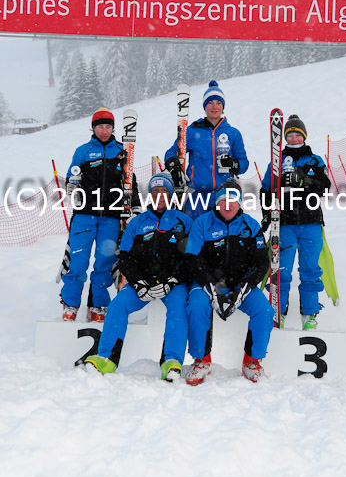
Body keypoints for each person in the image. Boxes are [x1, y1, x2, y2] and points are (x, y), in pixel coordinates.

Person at [85, 172, 192, 382]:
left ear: (170, 194)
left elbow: (192, 257)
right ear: (150, 195)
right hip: (142, 283)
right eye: (155, 191)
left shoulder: (184, 221)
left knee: (178, 308)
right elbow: (125, 258)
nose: (160, 195)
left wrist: (173, 280)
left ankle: (171, 361)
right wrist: (138, 283)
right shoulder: (138, 222)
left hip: (173, 283)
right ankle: (106, 358)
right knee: (118, 306)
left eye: (164, 191)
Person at [184, 178, 274, 384]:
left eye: (233, 199)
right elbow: (191, 258)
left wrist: (246, 284)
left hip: (240, 284)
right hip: (206, 283)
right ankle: (201, 359)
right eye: (223, 199)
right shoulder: (202, 223)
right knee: (197, 308)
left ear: (240, 202)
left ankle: (252, 361)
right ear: (216, 202)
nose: (228, 204)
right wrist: (208, 282)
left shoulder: (250, 226)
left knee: (265, 311)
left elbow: (262, 263)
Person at [59, 107, 140, 322]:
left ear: (113, 128)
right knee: (77, 262)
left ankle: (98, 306)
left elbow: (131, 182)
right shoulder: (83, 151)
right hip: (85, 215)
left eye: (108, 126)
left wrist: (136, 208)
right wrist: (71, 188)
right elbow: (71, 178)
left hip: (112, 217)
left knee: (104, 264)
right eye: (100, 126)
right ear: (93, 128)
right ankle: (70, 305)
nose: (104, 131)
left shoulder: (123, 152)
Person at [260, 114, 331, 330]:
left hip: (311, 222)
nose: (292, 139)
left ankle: (309, 314)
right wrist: (266, 213)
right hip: (285, 224)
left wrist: (305, 179)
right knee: (280, 270)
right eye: (289, 135)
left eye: (296, 135)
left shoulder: (314, 160)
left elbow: (325, 186)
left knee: (310, 269)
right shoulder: (277, 161)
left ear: (304, 136)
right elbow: (265, 190)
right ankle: (278, 311)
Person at [164, 80, 249, 219]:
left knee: (222, 237)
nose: (214, 107)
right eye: (210, 103)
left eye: (218, 103)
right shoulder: (192, 131)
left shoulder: (233, 133)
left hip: (224, 195)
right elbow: (172, 152)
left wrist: (233, 164)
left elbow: (244, 164)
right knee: (194, 235)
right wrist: (173, 165)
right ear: (205, 106)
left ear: (223, 106)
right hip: (197, 195)